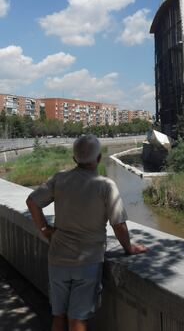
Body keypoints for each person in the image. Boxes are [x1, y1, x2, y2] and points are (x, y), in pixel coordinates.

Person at [26, 134, 147, 331]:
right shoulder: (106, 186)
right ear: (99, 158)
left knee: (58, 316)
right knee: (78, 320)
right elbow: (118, 224)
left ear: (74, 159)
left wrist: (45, 230)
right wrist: (129, 248)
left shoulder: (59, 179)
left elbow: (32, 202)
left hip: (57, 259)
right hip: (88, 262)